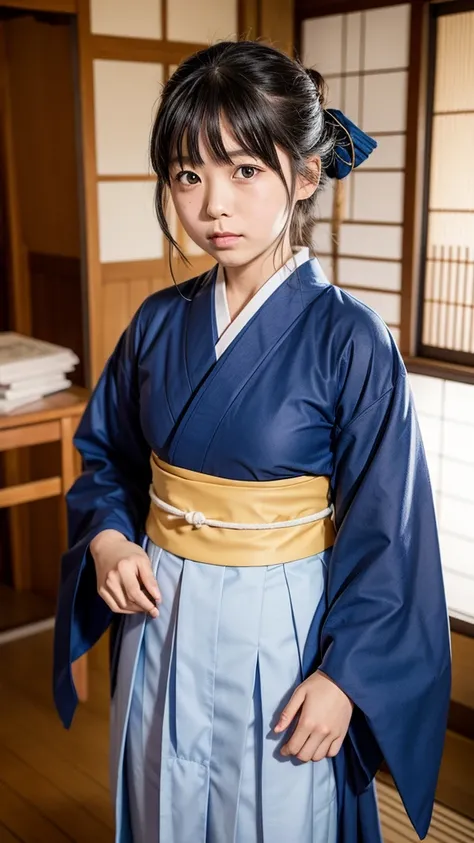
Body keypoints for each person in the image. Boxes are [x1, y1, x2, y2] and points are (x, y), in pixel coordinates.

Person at [53, 40, 451, 843]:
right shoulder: (157, 324)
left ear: (303, 177)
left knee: (274, 812)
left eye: (243, 171)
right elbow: (108, 458)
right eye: (188, 175)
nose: (213, 207)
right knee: (160, 793)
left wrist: (347, 675)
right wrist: (105, 538)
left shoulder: (350, 337)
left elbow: (388, 528)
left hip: (285, 623)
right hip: (159, 611)